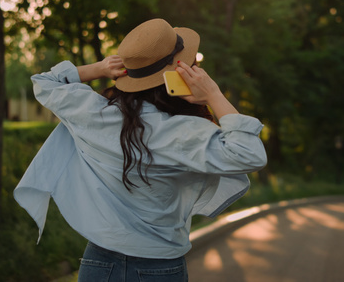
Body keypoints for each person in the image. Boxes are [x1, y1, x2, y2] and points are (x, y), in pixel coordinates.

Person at [14, 18, 267, 281]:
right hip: (159, 267)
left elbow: (44, 81)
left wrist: (100, 68)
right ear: (175, 75)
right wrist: (213, 94)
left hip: (98, 263)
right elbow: (249, 152)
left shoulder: (92, 113)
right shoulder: (182, 132)